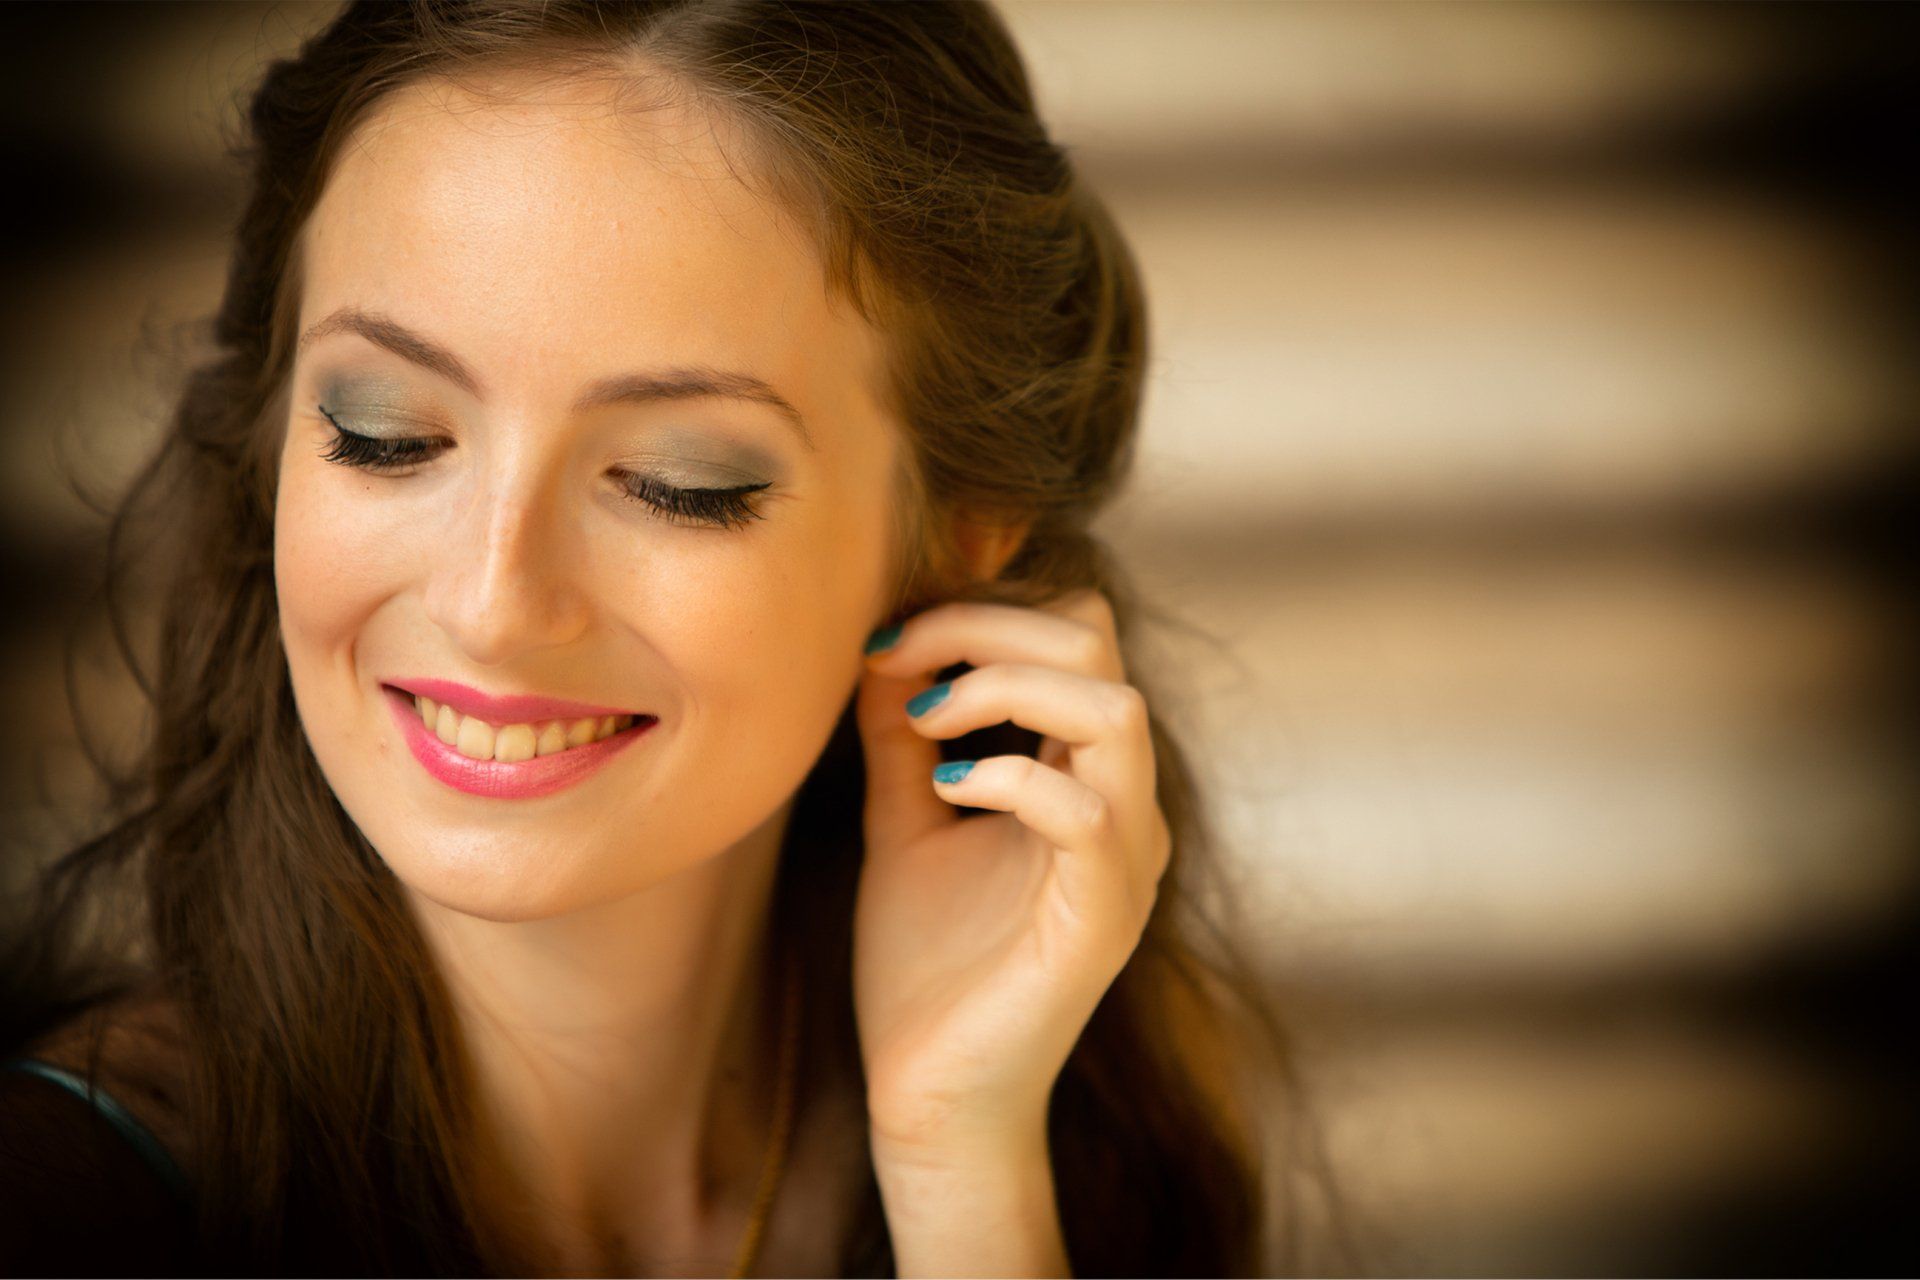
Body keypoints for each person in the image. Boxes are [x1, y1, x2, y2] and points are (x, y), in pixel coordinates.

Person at [0, 2, 1310, 1275]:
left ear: (961, 525)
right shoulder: (63, 1213)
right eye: (387, 433)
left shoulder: (1082, 1159)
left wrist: (961, 1166)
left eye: (679, 481)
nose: (492, 601)